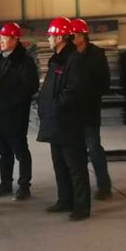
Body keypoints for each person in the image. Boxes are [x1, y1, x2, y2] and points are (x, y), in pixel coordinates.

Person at [37, 17, 91, 221]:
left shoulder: (74, 59)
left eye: (51, 35)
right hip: (56, 122)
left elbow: (72, 91)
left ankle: (81, 206)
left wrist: (55, 106)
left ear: (60, 37)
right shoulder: (57, 59)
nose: (49, 38)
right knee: (59, 164)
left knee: (75, 166)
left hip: (68, 122)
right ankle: (65, 200)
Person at [0, 22, 39, 201]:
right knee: (4, 152)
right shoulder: (1, 58)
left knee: (20, 152)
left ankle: (24, 186)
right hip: (0, 115)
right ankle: (5, 183)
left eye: (5, 38)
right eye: (0, 37)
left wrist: (10, 102)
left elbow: (30, 87)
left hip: (15, 115)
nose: (1, 41)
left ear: (15, 40)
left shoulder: (25, 61)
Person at [71, 18, 112, 200]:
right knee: (75, 152)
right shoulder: (69, 54)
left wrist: (86, 93)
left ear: (82, 36)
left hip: (89, 110)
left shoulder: (96, 55)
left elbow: (104, 84)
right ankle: (80, 189)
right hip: (72, 112)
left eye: (73, 35)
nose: (70, 39)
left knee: (94, 147)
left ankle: (104, 186)